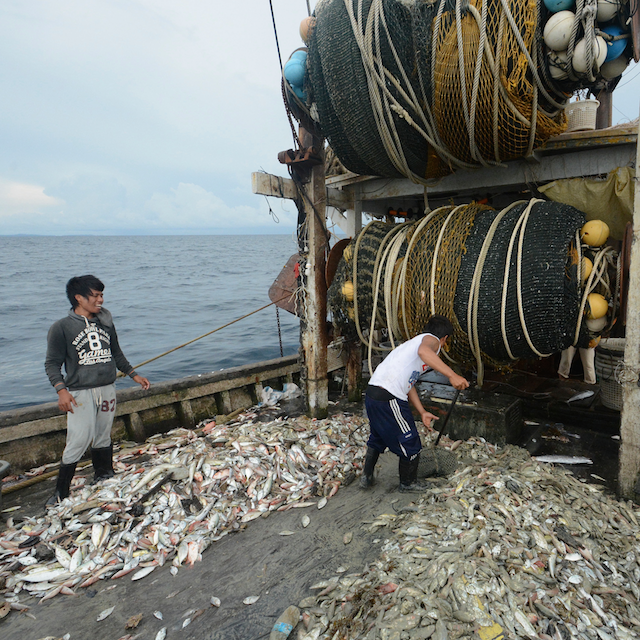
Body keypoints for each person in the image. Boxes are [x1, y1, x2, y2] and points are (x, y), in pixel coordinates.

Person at [44, 275, 150, 506]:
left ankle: (103, 473)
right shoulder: (61, 327)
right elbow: (52, 363)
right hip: (81, 392)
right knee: (79, 438)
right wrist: (61, 390)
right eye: (96, 295)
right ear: (79, 298)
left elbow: (117, 354)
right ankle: (61, 491)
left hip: (107, 388)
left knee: (103, 433)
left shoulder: (105, 322)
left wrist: (134, 374)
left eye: (102, 295)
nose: (101, 300)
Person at [360, 315, 469, 492]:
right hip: (389, 397)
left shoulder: (411, 345)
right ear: (444, 339)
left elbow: (409, 384)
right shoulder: (431, 341)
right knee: (410, 441)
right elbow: (424, 352)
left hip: (373, 393)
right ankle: (407, 483)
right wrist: (452, 375)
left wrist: (422, 411)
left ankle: (366, 477)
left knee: (378, 436)